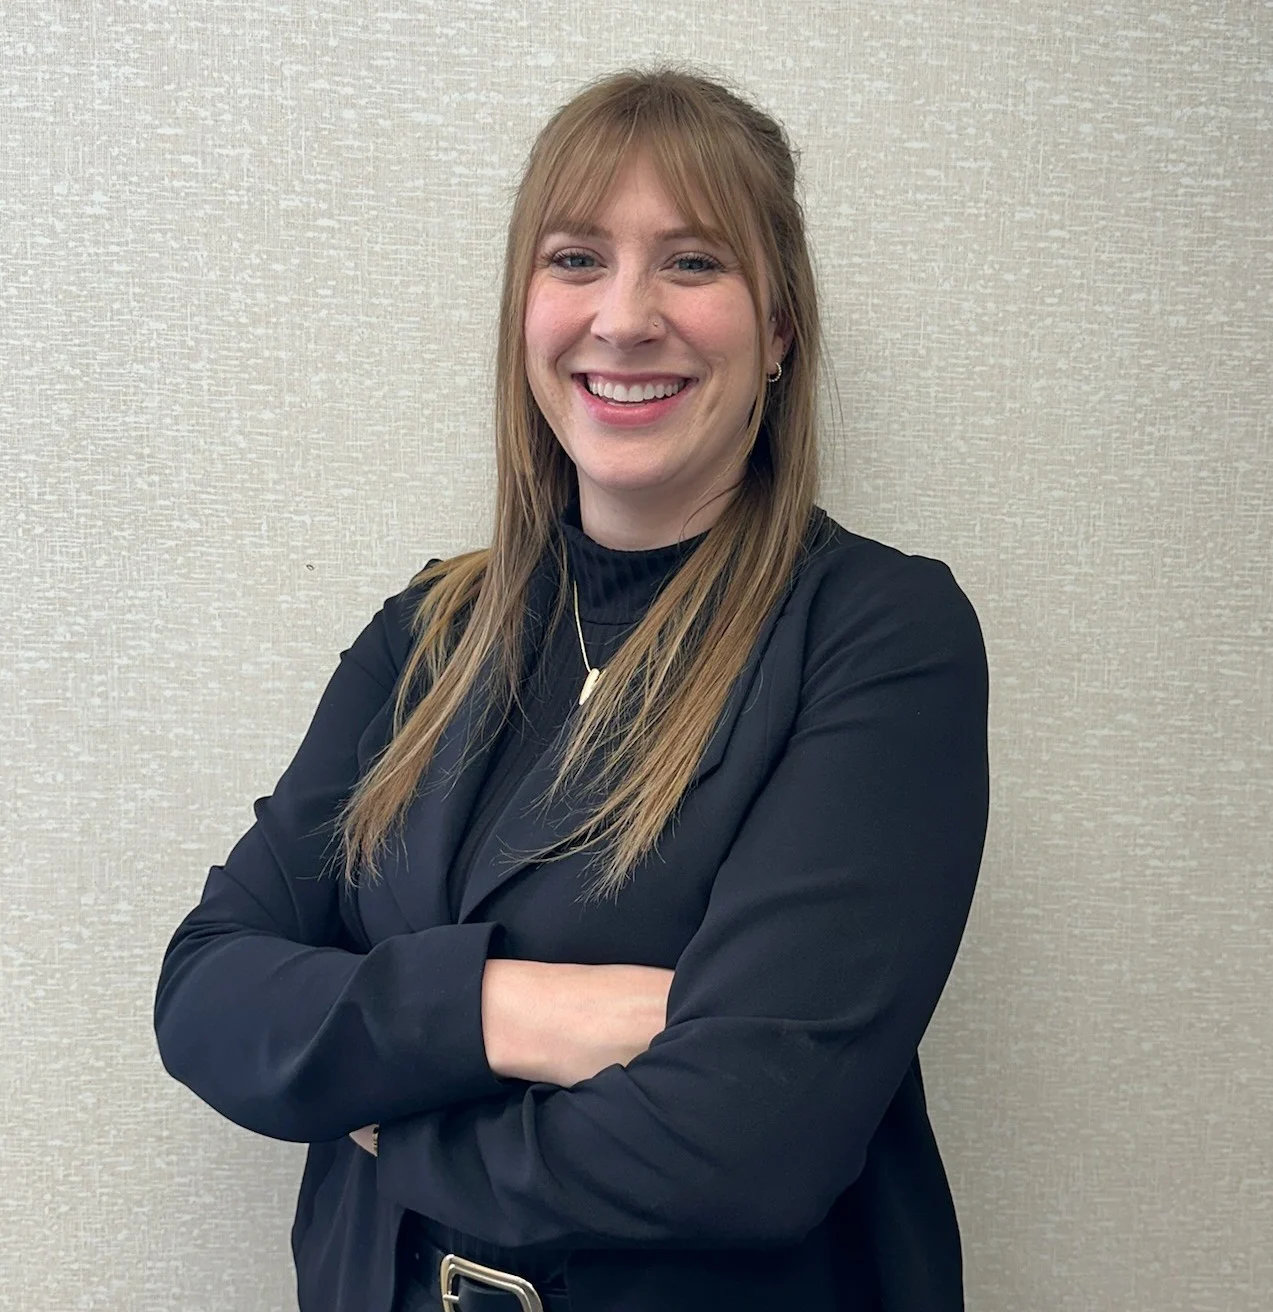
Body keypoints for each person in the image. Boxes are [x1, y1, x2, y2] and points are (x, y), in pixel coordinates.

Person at [154, 67, 989, 1312]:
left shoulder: (876, 635)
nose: (624, 317)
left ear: (777, 332)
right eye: (578, 259)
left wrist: (393, 1130)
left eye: (693, 262)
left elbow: (750, 1145)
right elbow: (209, 990)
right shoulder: (428, 632)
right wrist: (522, 1010)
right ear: (524, 314)